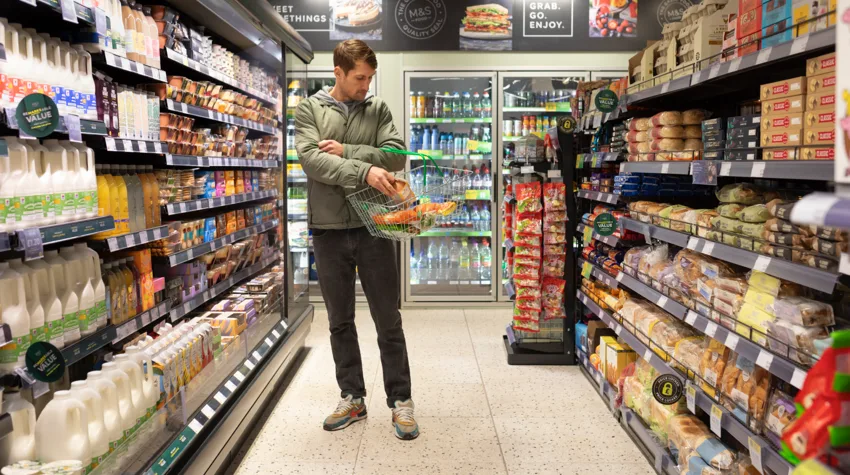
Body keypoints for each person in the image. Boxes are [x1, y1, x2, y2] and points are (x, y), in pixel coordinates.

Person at [294, 40, 418, 440]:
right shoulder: (310, 109)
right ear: (339, 72)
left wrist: (349, 152)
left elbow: (396, 155)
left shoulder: (377, 108)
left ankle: (401, 401)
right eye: (359, 78)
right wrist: (364, 171)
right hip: (328, 229)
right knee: (339, 321)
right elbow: (312, 160)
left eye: (370, 78)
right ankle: (352, 396)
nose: (366, 85)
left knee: (388, 318)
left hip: (375, 225)